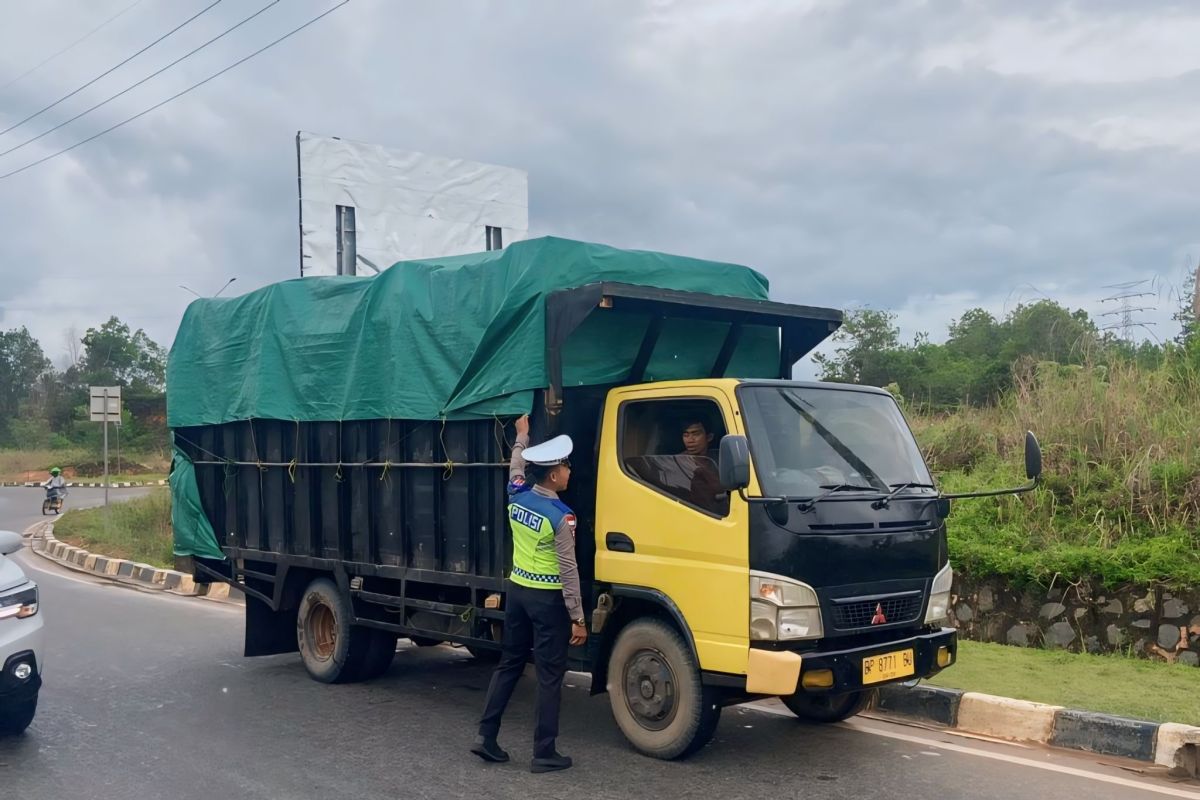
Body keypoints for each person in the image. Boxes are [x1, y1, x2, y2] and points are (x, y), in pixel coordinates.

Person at [472, 415, 587, 774]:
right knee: (550, 674)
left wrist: (521, 437)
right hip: (548, 600)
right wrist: (578, 617)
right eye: (565, 466)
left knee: (509, 664)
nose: (570, 471)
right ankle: (544, 752)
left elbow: (515, 467)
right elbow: (569, 571)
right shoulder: (561, 516)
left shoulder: (517, 495)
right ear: (553, 475)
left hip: (517, 592)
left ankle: (486, 737)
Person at [678, 418, 727, 515]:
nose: (690, 440)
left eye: (695, 434)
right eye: (686, 435)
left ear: (709, 437)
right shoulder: (678, 462)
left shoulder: (719, 458)